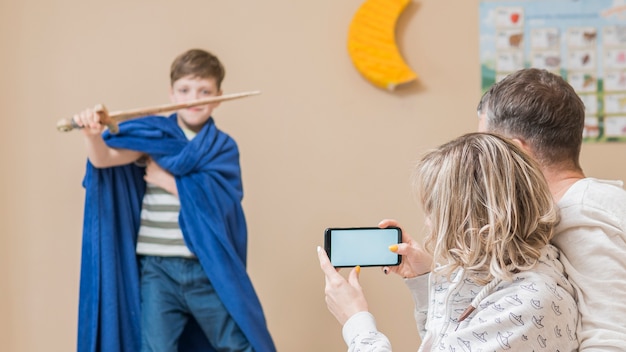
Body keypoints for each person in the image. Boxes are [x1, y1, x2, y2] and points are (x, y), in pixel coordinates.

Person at [73, 49, 276, 351]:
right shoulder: (156, 137)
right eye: (184, 90)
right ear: (171, 94)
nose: (193, 98)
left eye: (204, 91)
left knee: (240, 344)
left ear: (218, 96)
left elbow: (223, 206)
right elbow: (104, 161)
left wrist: (169, 182)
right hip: (157, 271)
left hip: (204, 266)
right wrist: (92, 134)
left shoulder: (222, 148)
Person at [318, 132, 579, 351]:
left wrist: (356, 321)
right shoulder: (516, 274)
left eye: (433, 211)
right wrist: (425, 281)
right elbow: (451, 341)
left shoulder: (527, 306)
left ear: (467, 220)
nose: (429, 223)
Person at [477, 68, 626, 350]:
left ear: (515, 149)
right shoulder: (587, 203)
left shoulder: (583, 214)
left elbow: (611, 338)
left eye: (489, 146)